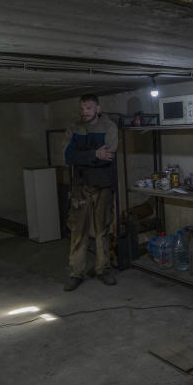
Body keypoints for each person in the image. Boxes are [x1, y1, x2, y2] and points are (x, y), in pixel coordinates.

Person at [62, 94, 119, 291]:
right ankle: (76, 273)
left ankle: (103, 269)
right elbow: (68, 156)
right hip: (80, 186)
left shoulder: (109, 127)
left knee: (102, 229)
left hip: (103, 186)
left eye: (88, 108)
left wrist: (83, 157)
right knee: (78, 230)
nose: (84, 112)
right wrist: (94, 154)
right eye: (82, 108)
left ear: (98, 109)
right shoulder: (74, 128)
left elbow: (108, 156)